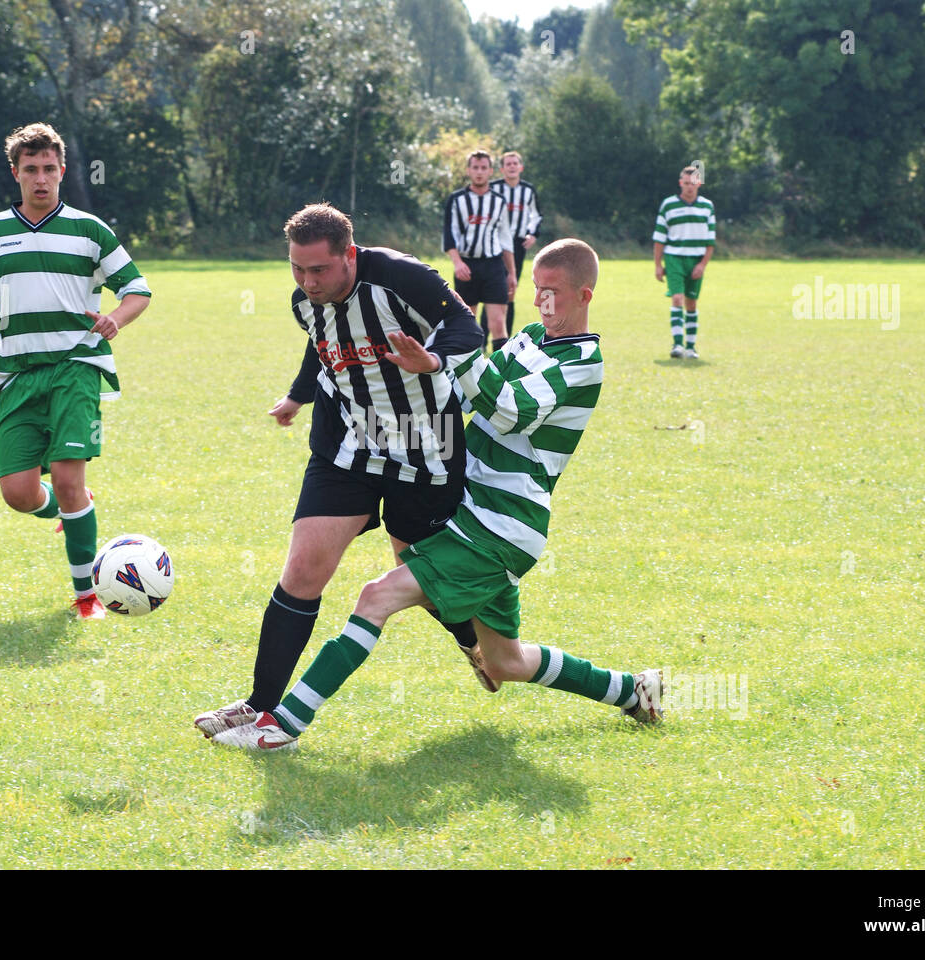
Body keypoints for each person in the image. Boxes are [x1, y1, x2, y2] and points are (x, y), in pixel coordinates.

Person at [210, 239, 664, 752]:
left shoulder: (584, 361)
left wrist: (445, 358)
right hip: (474, 512)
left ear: (584, 295)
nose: (542, 304)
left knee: (375, 596)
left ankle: (281, 727)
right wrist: (434, 367)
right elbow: (477, 383)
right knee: (504, 662)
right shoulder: (531, 338)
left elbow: (508, 408)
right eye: (537, 291)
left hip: (502, 525)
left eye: (553, 293)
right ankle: (632, 690)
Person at [193, 203, 486, 738]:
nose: (308, 282)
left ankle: (475, 641)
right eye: (297, 270)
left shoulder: (401, 278)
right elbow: (322, 342)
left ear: (349, 255)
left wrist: (433, 360)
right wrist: (297, 396)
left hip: (426, 446)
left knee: (420, 574)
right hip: (348, 447)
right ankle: (260, 705)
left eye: (319, 270)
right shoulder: (307, 300)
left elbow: (468, 327)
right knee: (303, 569)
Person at [0, 122, 151, 620]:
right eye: (31, 170)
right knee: (19, 494)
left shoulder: (90, 229)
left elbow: (137, 289)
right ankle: (73, 508)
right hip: (17, 375)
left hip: (76, 366)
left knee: (68, 476)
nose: (41, 179)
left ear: (63, 171)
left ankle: (87, 596)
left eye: (49, 169)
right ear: (16, 173)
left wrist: (116, 318)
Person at [444, 150, 516, 354]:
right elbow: (449, 233)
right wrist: (457, 262)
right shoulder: (457, 199)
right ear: (468, 170)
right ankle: (470, 369)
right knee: (467, 319)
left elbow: (505, 238)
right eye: (475, 168)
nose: (479, 172)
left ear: (490, 171)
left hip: (493, 265)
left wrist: (510, 272)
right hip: (467, 265)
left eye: (484, 168)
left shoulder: (499, 201)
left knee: (498, 322)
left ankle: (502, 371)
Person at [652, 166, 715, 359]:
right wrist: (657, 264)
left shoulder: (707, 207)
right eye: (686, 183)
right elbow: (659, 237)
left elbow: (710, 241)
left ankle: (691, 347)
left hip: (696, 259)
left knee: (691, 303)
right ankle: (677, 345)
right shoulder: (668, 205)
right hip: (674, 258)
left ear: (699, 183)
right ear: (681, 183)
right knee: (677, 299)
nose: (690, 187)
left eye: (693, 183)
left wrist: (702, 265)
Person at [482, 151, 542, 341]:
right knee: (491, 289)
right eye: (508, 164)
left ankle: (505, 340)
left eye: (515, 163)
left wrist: (532, 234)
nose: (512, 166)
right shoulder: (493, 188)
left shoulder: (528, 190)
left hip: (517, 243)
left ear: (521, 167)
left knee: (510, 289)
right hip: (494, 243)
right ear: (502, 169)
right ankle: (483, 339)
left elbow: (536, 215)